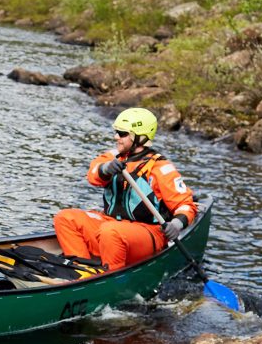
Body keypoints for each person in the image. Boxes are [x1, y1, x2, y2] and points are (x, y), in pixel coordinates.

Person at [53, 107, 197, 271]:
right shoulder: (112, 157)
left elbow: (186, 204)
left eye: (122, 133)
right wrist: (106, 169)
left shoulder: (161, 168)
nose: (116, 137)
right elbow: (93, 174)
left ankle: (110, 275)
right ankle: (81, 269)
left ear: (139, 137)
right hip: (112, 223)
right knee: (64, 218)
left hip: (148, 232)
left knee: (110, 232)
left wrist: (177, 224)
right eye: (116, 132)